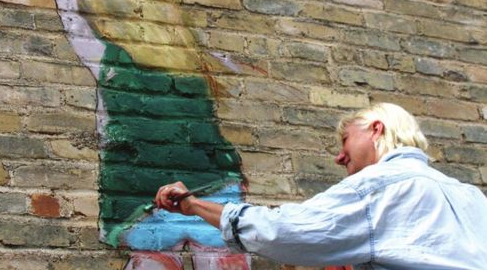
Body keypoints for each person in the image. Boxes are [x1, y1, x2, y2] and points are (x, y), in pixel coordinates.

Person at [155, 103, 487, 269]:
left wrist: (194, 206)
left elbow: (283, 231)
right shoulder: (472, 197)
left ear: (376, 129)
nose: (340, 157)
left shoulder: (378, 186)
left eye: (345, 140)